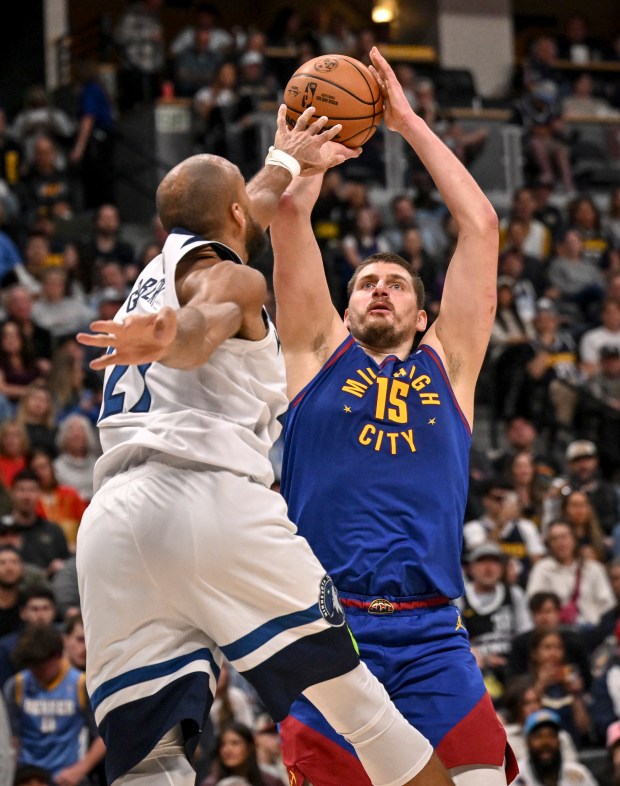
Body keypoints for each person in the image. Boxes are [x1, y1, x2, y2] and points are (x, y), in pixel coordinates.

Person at [75, 103, 453, 786]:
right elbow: (205, 321)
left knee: (149, 759)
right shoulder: (236, 277)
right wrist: (173, 339)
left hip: (110, 526)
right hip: (207, 499)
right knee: (362, 709)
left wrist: (286, 160)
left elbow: (244, 205)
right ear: (240, 221)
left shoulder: (159, 266)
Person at [270, 47, 516, 785]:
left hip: (434, 634)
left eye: (398, 283)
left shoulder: (452, 365)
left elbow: (480, 224)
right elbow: (287, 213)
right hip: (331, 632)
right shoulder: (316, 353)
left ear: (420, 310)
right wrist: (300, 152)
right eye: (367, 282)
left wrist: (406, 122)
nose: (380, 290)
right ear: (343, 308)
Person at [3, 624, 106, 784]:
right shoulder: (16, 686)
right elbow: (13, 740)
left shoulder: (80, 684)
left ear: (57, 657)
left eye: (41, 668)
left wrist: (81, 769)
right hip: (29, 777)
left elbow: (103, 736)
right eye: (32, 667)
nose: (36, 673)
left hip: (67, 776)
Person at [515, 708, 597, 785]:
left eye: (551, 735)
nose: (545, 742)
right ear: (527, 742)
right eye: (538, 736)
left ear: (559, 741)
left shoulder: (578, 774)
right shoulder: (515, 776)